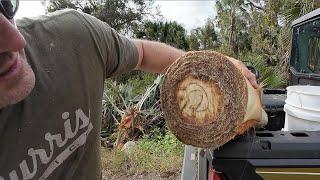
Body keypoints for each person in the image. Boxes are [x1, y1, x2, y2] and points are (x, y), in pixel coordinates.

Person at [0, 0, 258, 179]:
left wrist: (211, 67)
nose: (15, 40)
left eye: (4, 6)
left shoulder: (72, 38)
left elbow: (143, 53)